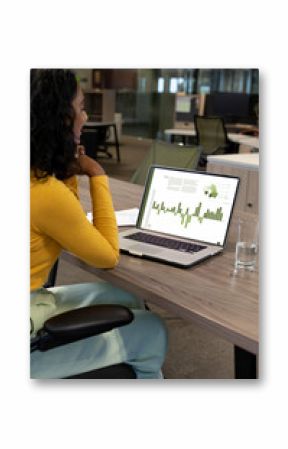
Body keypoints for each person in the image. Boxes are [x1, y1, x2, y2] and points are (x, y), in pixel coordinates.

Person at [30, 69, 168, 379]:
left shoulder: (34, 176)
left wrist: (66, 173)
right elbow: (107, 256)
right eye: (80, 108)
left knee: (128, 299)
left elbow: (68, 222)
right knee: (153, 330)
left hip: (32, 298)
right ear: (62, 119)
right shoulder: (44, 192)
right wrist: (96, 175)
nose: (85, 116)